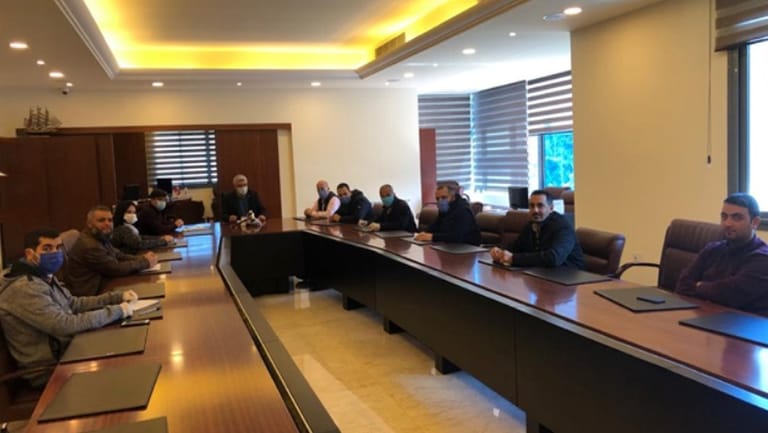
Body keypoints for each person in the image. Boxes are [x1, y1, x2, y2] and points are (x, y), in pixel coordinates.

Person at [0, 228, 137, 388]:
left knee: (127, 345)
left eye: (58, 247)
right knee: (125, 367)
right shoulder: (24, 288)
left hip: (70, 349)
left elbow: (72, 303)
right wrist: (116, 311)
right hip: (51, 369)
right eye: (47, 248)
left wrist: (115, 297)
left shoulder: (41, 274)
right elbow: (63, 325)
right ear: (30, 254)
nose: (55, 253)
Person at [675, 193, 768, 316]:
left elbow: (731, 295)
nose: (727, 223)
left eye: (736, 218)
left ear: (755, 222)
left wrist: (698, 286)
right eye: (724, 217)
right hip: (707, 316)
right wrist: (709, 290)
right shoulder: (713, 249)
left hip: (745, 323)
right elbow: (682, 284)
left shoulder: (763, 258)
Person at [65, 205, 158, 296]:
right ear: (89, 224)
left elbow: (118, 255)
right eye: (101, 220)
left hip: (104, 282)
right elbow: (115, 269)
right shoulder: (90, 245)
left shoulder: (99, 236)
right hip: (92, 292)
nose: (107, 223)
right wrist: (144, 262)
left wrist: (141, 258)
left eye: (110, 220)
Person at [490, 190, 584, 268]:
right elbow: (517, 246)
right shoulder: (532, 224)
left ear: (551, 208)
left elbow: (554, 258)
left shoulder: (563, 227)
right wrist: (500, 251)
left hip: (569, 277)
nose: (535, 210)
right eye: (532, 206)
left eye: (540, 206)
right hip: (543, 273)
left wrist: (513, 259)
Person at [414, 184, 481, 245]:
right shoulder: (445, 209)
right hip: (449, 246)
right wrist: (424, 234)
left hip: (467, 248)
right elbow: (435, 226)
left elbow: (457, 236)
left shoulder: (463, 210)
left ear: (453, 197)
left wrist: (432, 237)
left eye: (444, 197)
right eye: (437, 199)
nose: (440, 201)